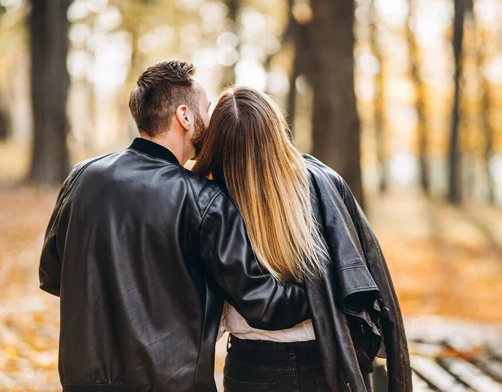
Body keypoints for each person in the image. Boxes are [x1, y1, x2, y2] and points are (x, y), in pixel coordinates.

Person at [38, 62, 311, 392]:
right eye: (206, 110)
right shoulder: (203, 200)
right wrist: (324, 291)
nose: (211, 122)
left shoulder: (82, 177)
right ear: (184, 116)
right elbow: (265, 305)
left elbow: (52, 274)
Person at [193, 86, 412, 392]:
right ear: (276, 130)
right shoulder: (322, 184)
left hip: (251, 368)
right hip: (323, 362)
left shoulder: (207, 200)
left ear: (218, 142)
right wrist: (328, 290)